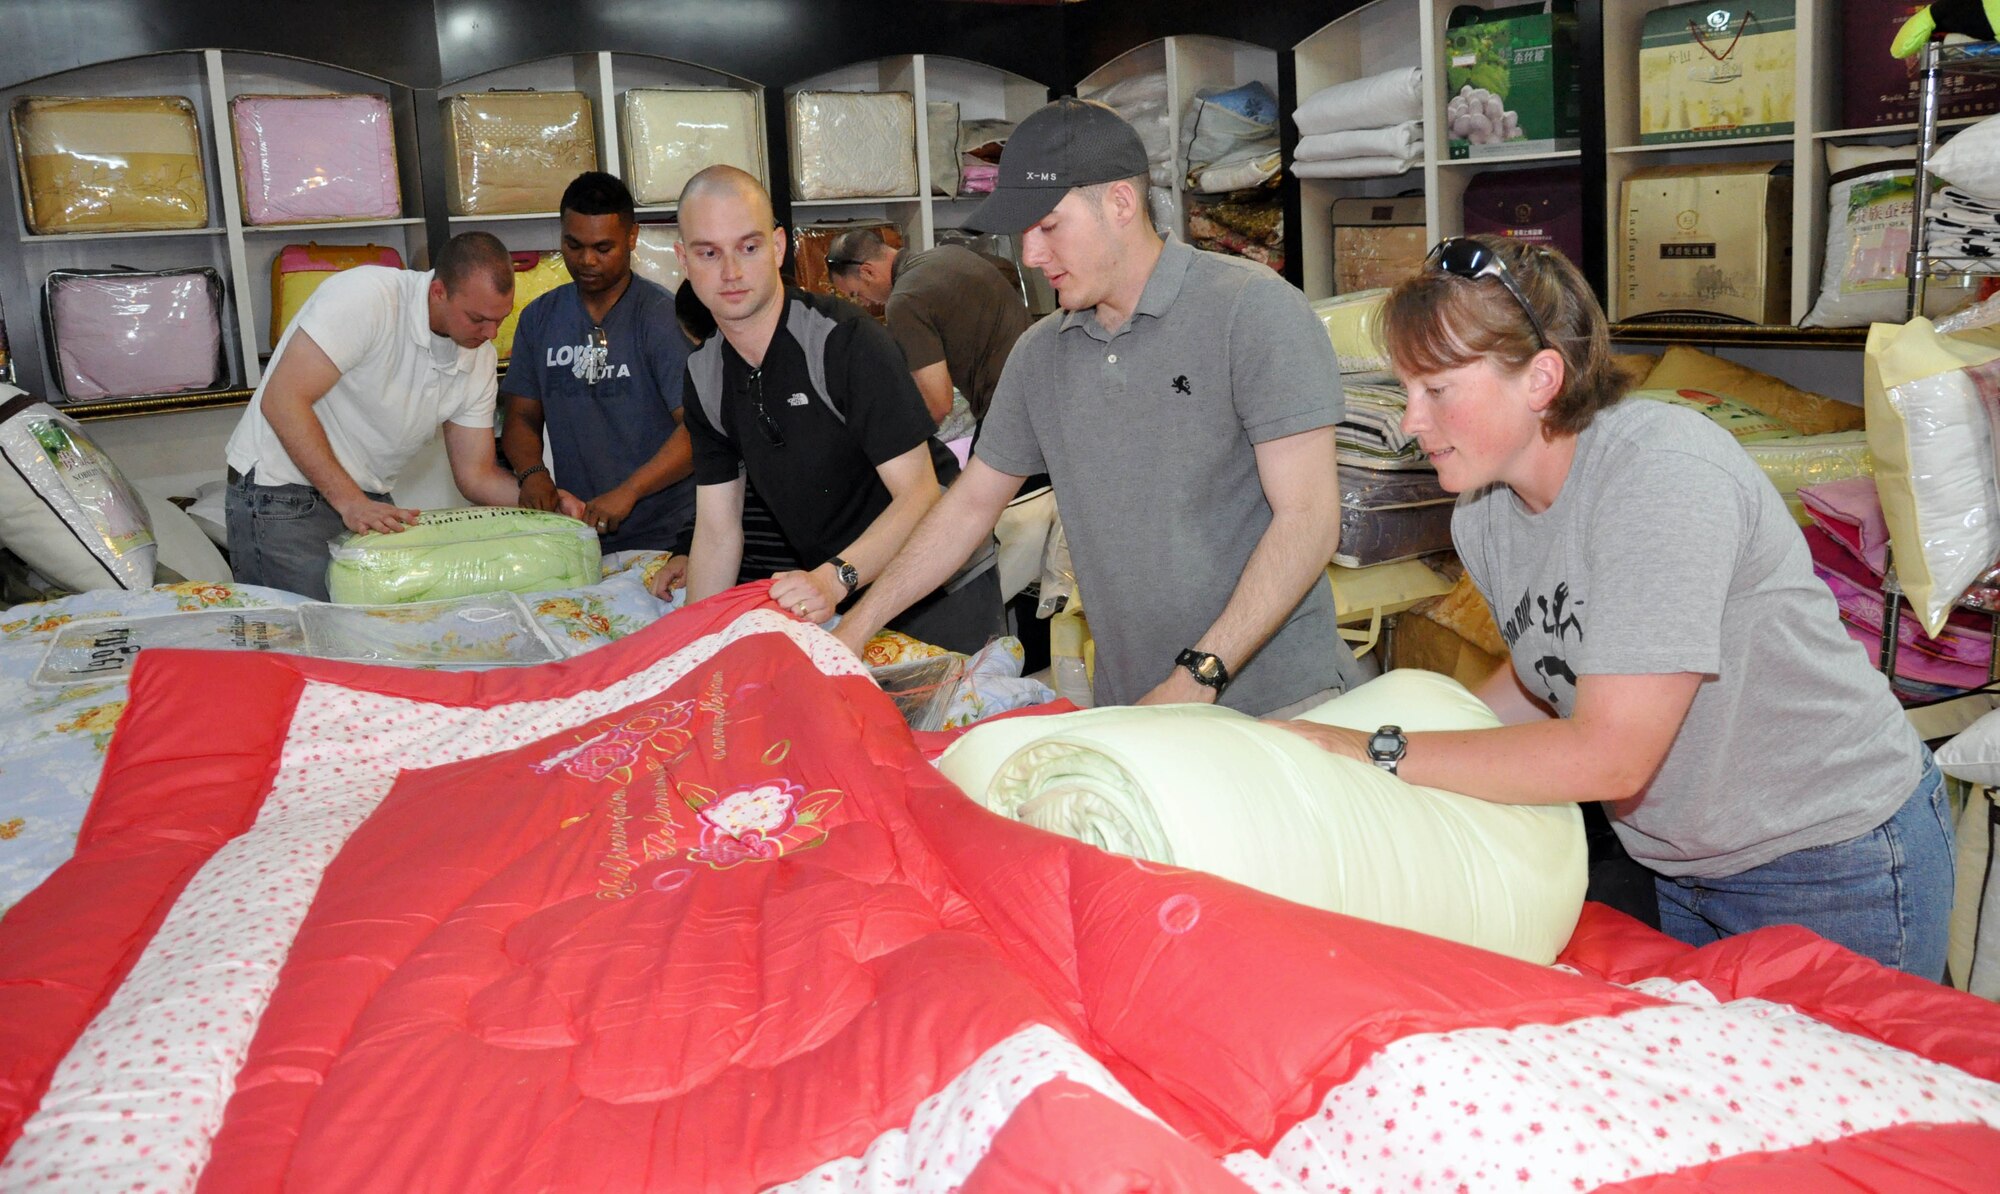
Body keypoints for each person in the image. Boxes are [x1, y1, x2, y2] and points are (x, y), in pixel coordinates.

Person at [1274, 234, 1953, 979]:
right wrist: (1350, 745)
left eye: (1436, 391)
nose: (1410, 422)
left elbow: (1612, 753)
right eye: (1407, 391)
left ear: (1540, 379)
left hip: (1831, 860)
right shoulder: (1485, 514)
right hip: (1681, 867)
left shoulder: (1660, 477)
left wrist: (1386, 751)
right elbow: (1546, 676)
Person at [832, 98, 1363, 717]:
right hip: (1140, 709)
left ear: (1119, 203)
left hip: (1280, 707)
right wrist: (854, 627)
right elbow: (969, 507)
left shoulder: (1253, 311)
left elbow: (1308, 520)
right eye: (1023, 232)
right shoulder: (1040, 355)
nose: (1029, 254)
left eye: (1049, 226)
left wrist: (1195, 679)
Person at [656, 165, 1005, 653]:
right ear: (683, 260)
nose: (730, 272)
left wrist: (836, 577)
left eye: (749, 247)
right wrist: (695, 647)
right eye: (708, 253)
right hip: (840, 592)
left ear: (778, 247)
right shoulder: (705, 376)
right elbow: (718, 531)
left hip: (935, 583)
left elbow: (919, 494)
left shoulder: (843, 340)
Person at [224, 232, 582, 600]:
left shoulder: (480, 356)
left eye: (500, 319)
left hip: (362, 495)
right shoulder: (367, 298)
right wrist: (350, 501)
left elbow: (477, 475)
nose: (490, 334)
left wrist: (546, 503)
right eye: (477, 319)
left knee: (379, 630)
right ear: (439, 291)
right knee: (305, 640)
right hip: (281, 490)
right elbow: (282, 400)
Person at [500, 172, 694, 555]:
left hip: (668, 539)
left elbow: (697, 431)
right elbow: (521, 417)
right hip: (581, 532)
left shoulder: (661, 319)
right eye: (573, 245)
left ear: (632, 238)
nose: (587, 260)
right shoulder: (539, 317)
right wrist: (532, 473)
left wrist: (630, 491)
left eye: (603, 248)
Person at [824, 229, 1032, 427]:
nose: (863, 303)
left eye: (855, 294)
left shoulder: (904, 300)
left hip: (1013, 410)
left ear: (868, 272)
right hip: (1040, 386)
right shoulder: (950, 253)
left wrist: (889, 444)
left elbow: (938, 404)